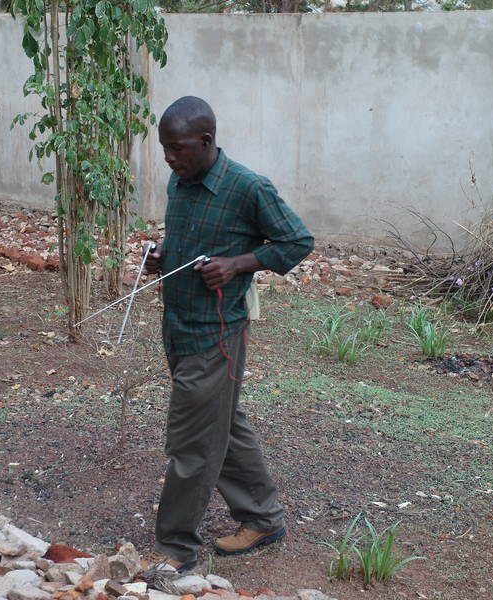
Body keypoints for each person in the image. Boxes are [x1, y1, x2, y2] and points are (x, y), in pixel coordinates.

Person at [143, 96, 314, 574]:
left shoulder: (248, 187)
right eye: (164, 150)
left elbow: (297, 241)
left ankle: (175, 547)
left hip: (216, 334)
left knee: (191, 445)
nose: (169, 159)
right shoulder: (181, 183)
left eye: (176, 149)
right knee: (222, 423)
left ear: (206, 141)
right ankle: (262, 518)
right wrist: (162, 255)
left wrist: (237, 264)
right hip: (177, 328)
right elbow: (185, 243)